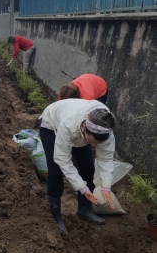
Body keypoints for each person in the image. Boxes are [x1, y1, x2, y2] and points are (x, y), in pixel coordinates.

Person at [39, 99, 116, 234]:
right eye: (91, 142)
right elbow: (62, 158)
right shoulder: (68, 124)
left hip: (80, 132)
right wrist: (81, 187)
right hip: (51, 126)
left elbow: (106, 158)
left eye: (97, 144)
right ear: (84, 127)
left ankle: (84, 210)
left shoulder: (105, 128)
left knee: (88, 168)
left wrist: (106, 185)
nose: (93, 146)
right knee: (55, 172)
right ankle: (55, 217)